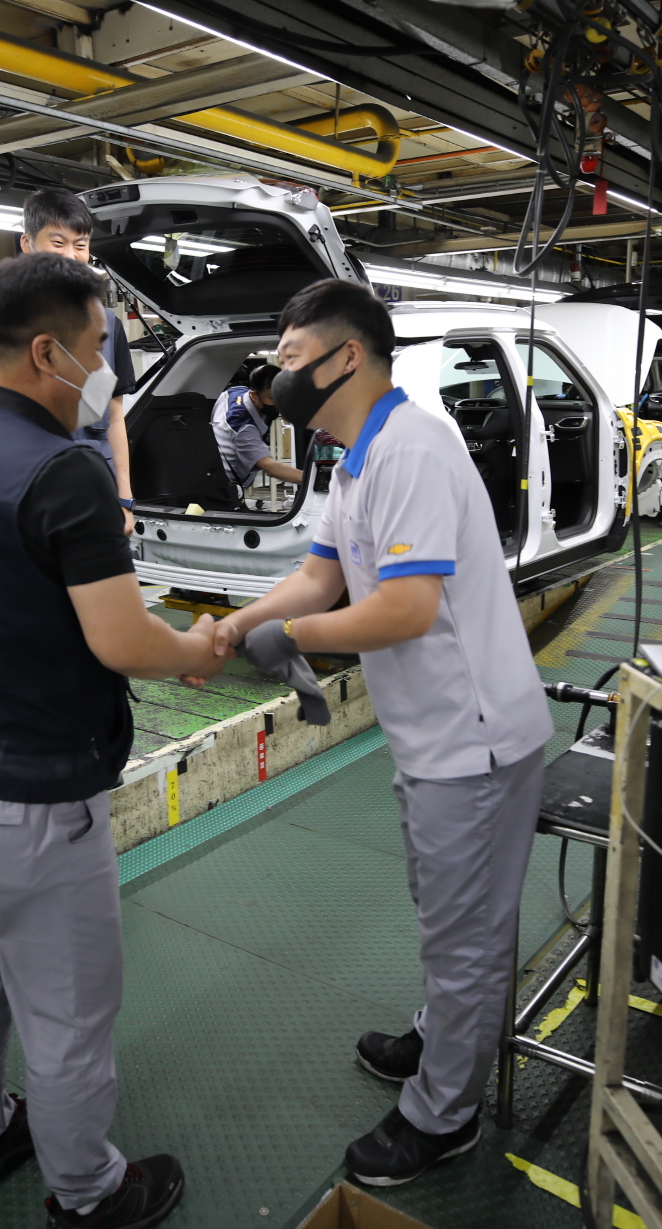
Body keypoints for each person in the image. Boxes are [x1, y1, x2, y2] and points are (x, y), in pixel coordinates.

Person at [0, 252, 216, 1229]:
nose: (104, 368)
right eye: (97, 346)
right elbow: (123, 640)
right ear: (46, 352)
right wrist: (197, 646)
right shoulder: (65, 470)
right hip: (25, 797)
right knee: (69, 1013)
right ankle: (89, 1192)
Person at [213, 279, 550, 1187]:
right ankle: (443, 1038)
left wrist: (293, 637)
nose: (279, 378)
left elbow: (404, 608)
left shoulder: (413, 451)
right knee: (445, 910)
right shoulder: (356, 458)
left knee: (464, 932)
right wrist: (238, 625)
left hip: (474, 742)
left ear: (346, 357)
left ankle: (445, 1117)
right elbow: (319, 577)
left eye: (291, 359)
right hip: (433, 737)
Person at [0, 188, 140, 534]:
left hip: (91, 492)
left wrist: (124, 499)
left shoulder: (109, 328)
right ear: (27, 243)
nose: (70, 255)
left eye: (80, 245)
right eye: (58, 242)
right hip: (18, 492)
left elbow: (114, 419)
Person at [212, 360, 302, 493]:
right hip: (223, 488)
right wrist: (313, 479)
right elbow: (270, 467)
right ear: (254, 396)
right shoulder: (244, 427)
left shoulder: (235, 392)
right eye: (272, 398)